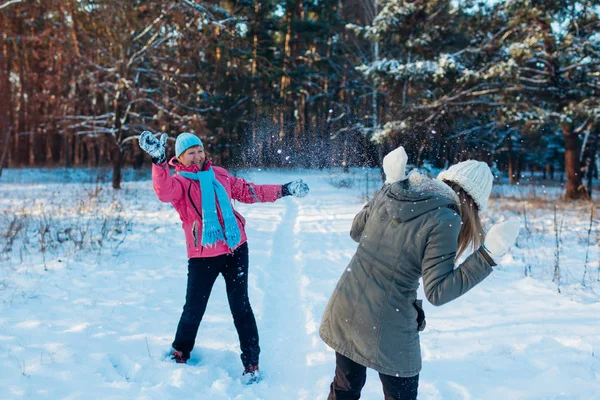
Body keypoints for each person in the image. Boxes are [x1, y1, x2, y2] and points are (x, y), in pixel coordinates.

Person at [319, 146, 520, 399]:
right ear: (472, 204)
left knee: (345, 389)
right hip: (388, 323)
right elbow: (438, 292)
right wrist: (488, 255)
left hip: (346, 307)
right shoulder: (445, 218)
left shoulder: (398, 191)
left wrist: (388, 186)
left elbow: (357, 232)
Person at [138, 131, 309, 384]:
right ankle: (180, 351)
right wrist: (158, 161)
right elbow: (163, 192)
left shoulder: (220, 174)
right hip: (203, 255)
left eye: (199, 150)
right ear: (180, 158)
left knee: (241, 307)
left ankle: (252, 362)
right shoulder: (180, 183)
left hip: (235, 248)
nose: (196, 156)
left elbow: (250, 191)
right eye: (190, 153)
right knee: (194, 308)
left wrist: (284, 190)